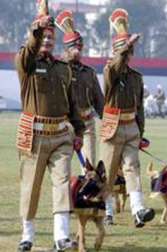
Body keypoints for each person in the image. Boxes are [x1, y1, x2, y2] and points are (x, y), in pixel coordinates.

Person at [15, 1, 85, 251]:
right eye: (43, 37)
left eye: (49, 38)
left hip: (61, 136)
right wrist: (37, 29)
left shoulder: (63, 69)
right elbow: (29, 50)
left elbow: (73, 103)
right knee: (31, 187)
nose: (46, 41)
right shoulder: (26, 63)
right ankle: (27, 235)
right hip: (34, 136)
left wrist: (78, 131)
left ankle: (61, 237)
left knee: (63, 183)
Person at [100, 8, 155, 227]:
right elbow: (115, 66)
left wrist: (141, 132)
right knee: (109, 172)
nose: (129, 55)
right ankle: (106, 210)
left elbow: (139, 107)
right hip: (113, 126)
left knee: (133, 168)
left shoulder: (136, 78)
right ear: (117, 52)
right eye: (125, 51)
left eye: (131, 51)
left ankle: (138, 210)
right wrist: (124, 47)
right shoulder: (109, 72)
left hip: (131, 127)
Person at [55, 10, 104, 170]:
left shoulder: (89, 72)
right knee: (63, 167)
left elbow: (99, 100)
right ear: (68, 48)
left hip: (87, 123)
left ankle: (85, 193)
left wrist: (110, 122)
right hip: (64, 125)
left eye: (80, 47)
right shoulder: (58, 70)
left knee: (89, 167)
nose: (79, 50)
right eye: (76, 47)